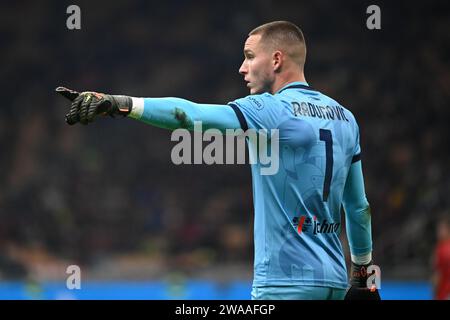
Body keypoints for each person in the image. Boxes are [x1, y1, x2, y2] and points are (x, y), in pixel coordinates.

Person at [56, 21, 380, 300]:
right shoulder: (345, 118)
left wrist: (120, 103)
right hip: (335, 281)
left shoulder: (271, 108)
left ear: (277, 60)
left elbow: (190, 116)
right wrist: (361, 274)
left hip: (284, 283)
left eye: (250, 57)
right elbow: (358, 207)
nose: (242, 67)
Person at [432, 214, 450, 300]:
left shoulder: (441, 250)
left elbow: (437, 275)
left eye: (441, 229)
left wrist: (434, 293)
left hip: (444, 294)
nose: (438, 232)